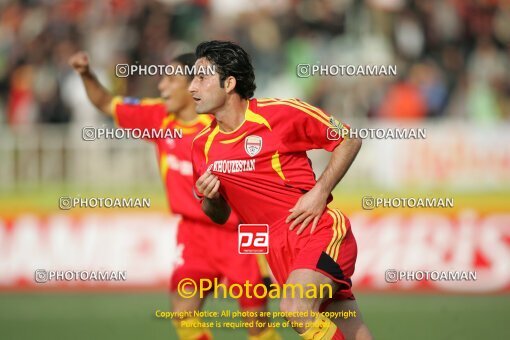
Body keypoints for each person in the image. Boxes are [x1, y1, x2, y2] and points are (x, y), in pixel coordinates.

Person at [69, 51, 280, 340]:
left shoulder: (224, 124)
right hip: (193, 235)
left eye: (171, 79)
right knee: (183, 311)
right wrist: (85, 73)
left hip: (238, 234)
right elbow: (106, 103)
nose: (162, 87)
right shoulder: (158, 117)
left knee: (257, 325)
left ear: (195, 85)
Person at [190, 41, 373, 340]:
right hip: (276, 248)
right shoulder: (202, 146)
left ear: (229, 83)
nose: (191, 87)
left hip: (318, 230)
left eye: (201, 77)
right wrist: (209, 198)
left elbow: (348, 139)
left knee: (295, 307)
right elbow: (219, 215)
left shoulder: (280, 114)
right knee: (350, 330)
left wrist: (319, 192)